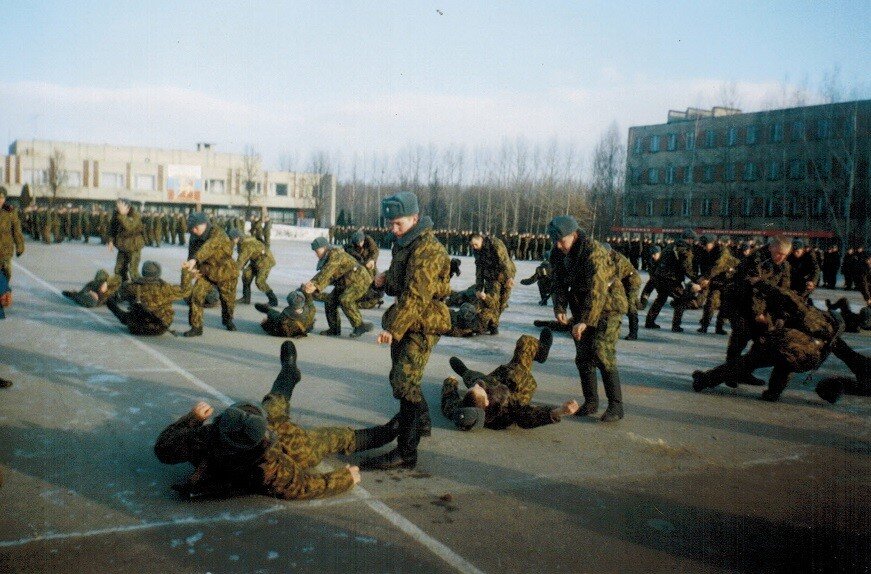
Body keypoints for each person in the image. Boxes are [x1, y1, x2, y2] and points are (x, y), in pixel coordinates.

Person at [154, 341, 400, 500]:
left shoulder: (204, 437)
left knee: (273, 405)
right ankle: (389, 432)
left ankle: (289, 372)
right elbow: (302, 486)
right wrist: (343, 479)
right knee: (326, 440)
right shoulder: (269, 466)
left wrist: (193, 419)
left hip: (245, 445)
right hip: (276, 454)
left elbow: (164, 448)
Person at [360, 192, 452, 470]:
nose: (393, 229)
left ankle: (407, 452)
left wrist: (393, 328)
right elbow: (400, 284)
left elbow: (416, 295)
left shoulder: (429, 250)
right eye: (390, 223)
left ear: (415, 218)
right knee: (402, 378)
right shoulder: (405, 242)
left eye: (398, 223)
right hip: (407, 317)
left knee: (403, 382)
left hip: (423, 322)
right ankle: (420, 422)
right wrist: (382, 282)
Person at [692, 281, 839, 401]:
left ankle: (705, 380)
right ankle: (773, 393)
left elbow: (789, 297)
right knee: (785, 364)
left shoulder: (813, 314)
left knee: (749, 361)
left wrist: (761, 284)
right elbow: (851, 357)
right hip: (808, 361)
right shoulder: (834, 336)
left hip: (788, 345)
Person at [548, 215, 628, 422]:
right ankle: (591, 402)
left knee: (602, 351)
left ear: (574, 235)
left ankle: (616, 406)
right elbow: (557, 282)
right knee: (583, 357)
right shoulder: (557, 253)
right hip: (583, 308)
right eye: (554, 241)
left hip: (608, 307)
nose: (558, 246)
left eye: (562, 241)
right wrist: (559, 307)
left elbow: (597, 289)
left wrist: (586, 320)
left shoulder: (594, 251)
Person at [441, 328, 578, 430]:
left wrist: (450, 381)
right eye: (481, 390)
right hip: (518, 382)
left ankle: (466, 373)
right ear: (488, 401)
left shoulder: (463, 409)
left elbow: (448, 400)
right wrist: (560, 411)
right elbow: (527, 416)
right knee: (525, 342)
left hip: (497, 380)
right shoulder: (505, 409)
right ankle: (541, 352)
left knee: (477, 379)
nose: (479, 386)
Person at [303, 237, 373, 338]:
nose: (316, 254)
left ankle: (359, 326)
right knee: (330, 301)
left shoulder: (335, 254)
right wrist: (312, 284)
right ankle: (334, 329)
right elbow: (328, 276)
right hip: (346, 282)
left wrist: (314, 284)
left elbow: (327, 272)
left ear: (324, 248)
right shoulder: (328, 258)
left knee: (345, 299)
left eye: (317, 251)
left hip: (360, 280)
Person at [182, 212, 239, 337]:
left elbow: (209, 246)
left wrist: (196, 259)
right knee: (196, 295)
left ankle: (228, 320)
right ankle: (196, 327)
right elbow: (191, 255)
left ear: (204, 224)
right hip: (206, 271)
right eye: (192, 228)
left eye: (196, 227)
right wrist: (191, 268)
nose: (193, 230)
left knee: (227, 300)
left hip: (225, 271)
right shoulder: (194, 236)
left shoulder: (218, 233)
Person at [106, 261, 193, 336]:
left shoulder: (131, 287)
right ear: (158, 273)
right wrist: (185, 272)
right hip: (160, 328)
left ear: (143, 272)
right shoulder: (165, 287)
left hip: (136, 327)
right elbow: (186, 291)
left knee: (111, 302)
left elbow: (114, 298)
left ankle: (127, 319)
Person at [645, 229, 700, 332]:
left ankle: (649, 321)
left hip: (660, 277)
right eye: (692, 240)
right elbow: (686, 267)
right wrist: (696, 279)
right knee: (681, 299)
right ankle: (676, 326)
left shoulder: (671, 246)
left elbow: (659, 261)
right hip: (670, 279)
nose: (693, 242)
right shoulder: (684, 249)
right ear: (688, 239)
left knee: (661, 299)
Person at [470, 232, 516, 335]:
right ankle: (493, 325)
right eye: (472, 245)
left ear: (481, 239)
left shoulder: (495, 244)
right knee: (492, 300)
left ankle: (493, 321)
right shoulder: (476, 251)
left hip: (505, 274)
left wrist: (509, 278)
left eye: (476, 244)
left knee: (502, 302)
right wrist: (479, 288)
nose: (474, 247)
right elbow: (479, 270)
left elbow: (505, 261)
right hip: (492, 277)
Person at [227, 228, 278, 307]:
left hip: (265, 262)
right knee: (246, 275)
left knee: (259, 281)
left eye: (231, 239)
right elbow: (244, 259)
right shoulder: (242, 242)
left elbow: (241, 260)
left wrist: (232, 272)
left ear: (237, 237)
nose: (231, 241)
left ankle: (273, 300)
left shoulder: (247, 244)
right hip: (256, 261)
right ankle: (246, 298)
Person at [107, 198, 146, 282]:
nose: (117, 208)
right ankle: (122, 285)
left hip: (134, 246)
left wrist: (122, 215)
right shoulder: (117, 214)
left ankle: (138, 288)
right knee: (119, 269)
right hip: (122, 245)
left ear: (127, 207)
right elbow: (112, 228)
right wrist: (110, 241)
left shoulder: (135, 215)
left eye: (120, 206)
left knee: (133, 270)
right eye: (117, 206)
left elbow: (129, 227)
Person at [0, 188, 25, 283]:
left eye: (2, 197)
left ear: (5, 199)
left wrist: (20, 246)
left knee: (6, 275)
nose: (0, 200)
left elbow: (16, 230)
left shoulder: (10, 211)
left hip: (6, 250)